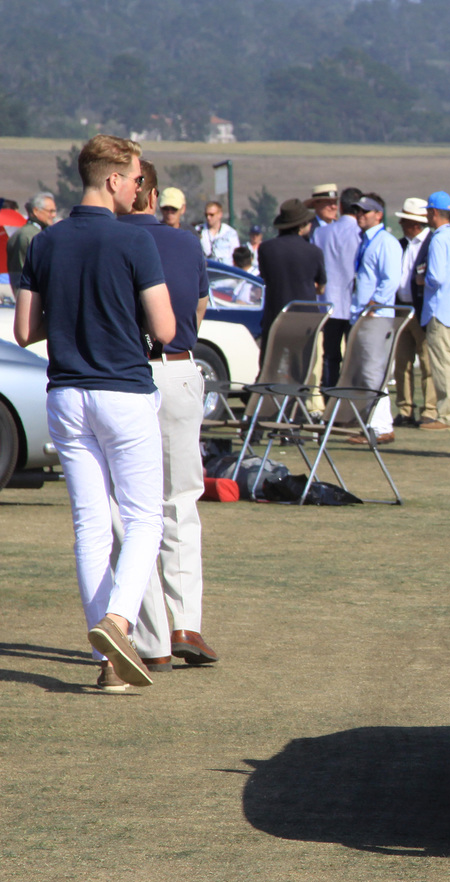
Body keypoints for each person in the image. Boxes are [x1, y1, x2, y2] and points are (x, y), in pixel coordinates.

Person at [12, 134, 176, 691]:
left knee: (89, 528)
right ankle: (118, 622)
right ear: (112, 179)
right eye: (134, 178)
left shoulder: (44, 242)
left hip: (66, 394)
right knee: (144, 519)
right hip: (123, 391)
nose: (138, 188)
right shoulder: (135, 242)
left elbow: (25, 331)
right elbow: (167, 330)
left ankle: (108, 664)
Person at [118, 160, 219, 671]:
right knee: (181, 501)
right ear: (153, 196)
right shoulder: (183, 242)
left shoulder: (107, 237)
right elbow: (199, 307)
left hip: (124, 376)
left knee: (131, 509)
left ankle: (153, 636)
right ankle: (186, 624)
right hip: (178, 369)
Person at [348, 193, 403, 444]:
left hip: (376, 316)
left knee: (374, 374)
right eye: (358, 211)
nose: (360, 215)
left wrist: (373, 304)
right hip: (365, 315)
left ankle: (380, 427)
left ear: (378, 215)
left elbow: (391, 279)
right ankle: (371, 424)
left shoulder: (385, 242)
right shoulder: (366, 241)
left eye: (365, 212)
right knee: (366, 373)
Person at [419, 191, 450, 432]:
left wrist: (422, 279)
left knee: (443, 364)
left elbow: (435, 276)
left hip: (439, 309)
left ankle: (448, 416)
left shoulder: (438, 239)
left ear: (433, 213)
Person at [256, 198, 326, 352]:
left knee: (270, 366)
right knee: (301, 368)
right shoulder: (314, 252)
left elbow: (266, 278)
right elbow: (321, 287)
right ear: (301, 226)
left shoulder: (265, 249)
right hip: (305, 320)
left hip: (275, 317)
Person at [392, 197, 433, 427]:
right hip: (401, 309)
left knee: (427, 362)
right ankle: (405, 409)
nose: (401, 224)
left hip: (420, 310)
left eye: (405, 220)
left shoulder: (430, 244)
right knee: (402, 363)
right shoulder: (401, 244)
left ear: (414, 222)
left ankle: (429, 410)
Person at [317, 187, 363, 387]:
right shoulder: (361, 234)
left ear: (340, 206)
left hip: (329, 302)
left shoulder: (321, 233)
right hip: (353, 303)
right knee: (354, 357)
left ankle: (329, 399)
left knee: (330, 357)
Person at [7, 190, 56, 278]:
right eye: (50, 211)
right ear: (36, 211)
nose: (54, 215)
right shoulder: (35, 236)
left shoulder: (18, 234)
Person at [196, 200, 240, 264]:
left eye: (211, 215)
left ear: (220, 215)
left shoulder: (230, 232)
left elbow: (236, 254)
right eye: (206, 215)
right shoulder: (198, 230)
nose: (208, 218)